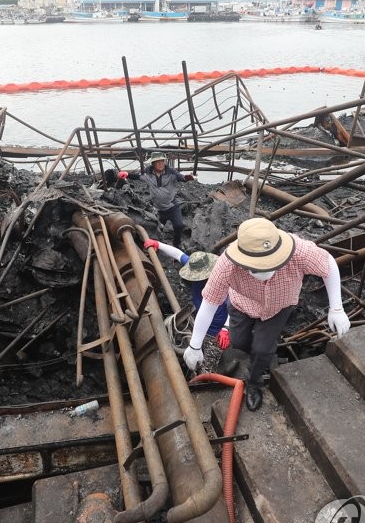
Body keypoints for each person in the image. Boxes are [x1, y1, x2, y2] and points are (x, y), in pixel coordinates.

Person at [184, 218, 351, 411]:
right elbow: (209, 302)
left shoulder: (299, 251)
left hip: (278, 308)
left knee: (263, 349)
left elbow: (327, 264)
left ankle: (254, 383)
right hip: (242, 305)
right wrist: (195, 345)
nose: (265, 271)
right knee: (238, 341)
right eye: (257, 267)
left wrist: (337, 308)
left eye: (272, 264)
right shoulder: (226, 264)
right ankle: (258, 351)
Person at [142, 238, 230, 348]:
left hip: (217, 325)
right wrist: (158, 244)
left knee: (210, 353)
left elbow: (234, 305)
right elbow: (178, 254)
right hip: (202, 314)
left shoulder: (221, 282)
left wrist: (225, 328)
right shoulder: (196, 264)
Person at [118, 152, 193, 248]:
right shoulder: (148, 173)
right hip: (157, 208)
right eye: (158, 162)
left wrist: (188, 177)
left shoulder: (171, 172)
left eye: (162, 161)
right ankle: (158, 244)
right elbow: (137, 176)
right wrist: (127, 174)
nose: (161, 164)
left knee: (179, 226)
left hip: (172, 206)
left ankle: (177, 243)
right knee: (156, 228)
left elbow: (181, 177)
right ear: (153, 164)